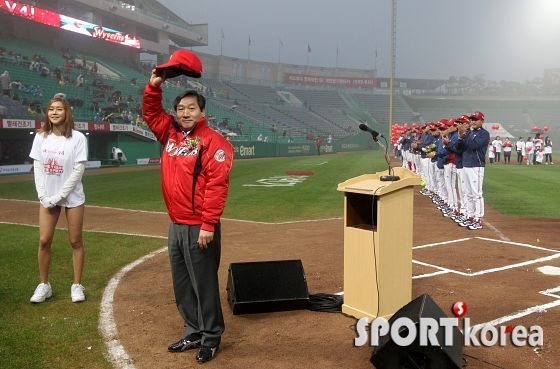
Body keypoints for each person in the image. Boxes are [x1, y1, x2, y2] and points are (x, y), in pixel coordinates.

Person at [143, 55, 233, 364]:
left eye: (191, 108)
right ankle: (193, 331)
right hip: (176, 225)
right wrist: (154, 86)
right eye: (180, 108)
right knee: (182, 284)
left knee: (204, 284)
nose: (184, 113)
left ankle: (211, 336)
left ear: (203, 112)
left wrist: (209, 224)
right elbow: (152, 112)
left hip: (200, 226)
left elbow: (217, 186)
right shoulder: (169, 133)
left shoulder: (214, 142)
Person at [28, 97, 88, 303]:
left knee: (75, 241)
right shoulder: (41, 137)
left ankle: (77, 285)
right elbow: (38, 167)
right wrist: (43, 196)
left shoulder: (78, 138)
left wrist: (59, 197)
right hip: (47, 198)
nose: (54, 113)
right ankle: (44, 285)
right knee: (44, 241)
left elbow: (78, 171)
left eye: (59, 109)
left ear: (67, 113)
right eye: (51, 109)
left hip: (72, 197)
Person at [456, 111, 489, 230]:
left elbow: (474, 145)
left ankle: (478, 219)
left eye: (476, 119)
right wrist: (460, 138)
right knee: (468, 193)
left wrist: (464, 135)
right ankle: (470, 216)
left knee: (477, 194)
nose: (473, 121)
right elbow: (460, 149)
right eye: (472, 119)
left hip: (476, 165)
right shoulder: (469, 133)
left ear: (482, 121)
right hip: (466, 164)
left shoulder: (484, 134)